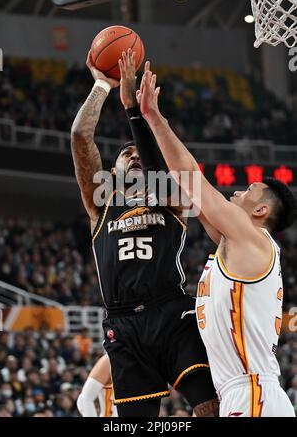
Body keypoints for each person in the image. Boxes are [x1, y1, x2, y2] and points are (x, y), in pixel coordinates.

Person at [136, 62, 297, 417]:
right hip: (243, 393)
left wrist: (153, 117)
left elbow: (191, 176)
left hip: (253, 393)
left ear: (260, 213)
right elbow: (186, 189)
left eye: (249, 190)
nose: (238, 191)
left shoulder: (253, 239)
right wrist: (137, 117)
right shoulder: (235, 243)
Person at [71, 51, 218, 417]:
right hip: (122, 324)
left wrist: (136, 112)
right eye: (125, 154)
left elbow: (160, 171)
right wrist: (102, 86)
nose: (133, 156)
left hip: (169, 311)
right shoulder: (99, 205)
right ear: (114, 170)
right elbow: (79, 136)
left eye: (139, 153)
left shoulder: (170, 198)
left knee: (209, 404)